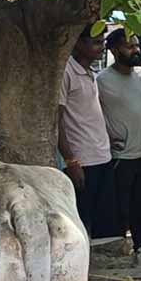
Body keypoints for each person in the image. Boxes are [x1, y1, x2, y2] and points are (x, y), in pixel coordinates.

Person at [97, 29, 141, 264]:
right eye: (129, 46)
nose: (136, 50)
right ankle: (118, 250)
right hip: (119, 156)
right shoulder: (100, 81)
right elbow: (94, 115)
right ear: (113, 50)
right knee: (119, 208)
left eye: (136, 45)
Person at [59, 24, 115, 238]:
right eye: (96, 42)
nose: (101, 47)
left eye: (102, 42)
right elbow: (58, 121)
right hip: (82, 162)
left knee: (104, 222)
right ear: (79, 43)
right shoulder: (66, 72)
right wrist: (71, 161)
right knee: (81, 223)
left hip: (103, 156)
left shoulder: (90, 73)